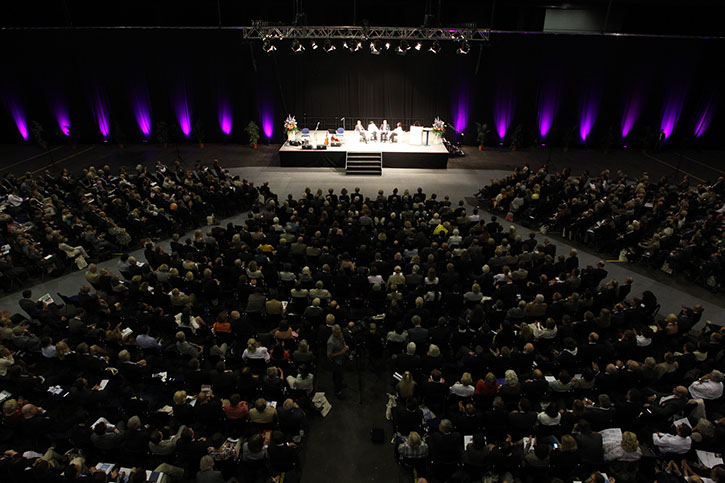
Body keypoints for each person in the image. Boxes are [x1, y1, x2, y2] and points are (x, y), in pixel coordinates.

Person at [327, 324, 348, 398]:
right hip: (336, 361)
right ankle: (337, 391)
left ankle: (340, 384)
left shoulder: (340, 334)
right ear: (334, 332)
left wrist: (345, 346)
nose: (339, 334)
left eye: (340, 332)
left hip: (342, 359)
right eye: (338, 333)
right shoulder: (331, 342)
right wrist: (341, 352)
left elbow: (343, 340)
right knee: (337, 376)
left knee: (341, 374)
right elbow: (329, 355)